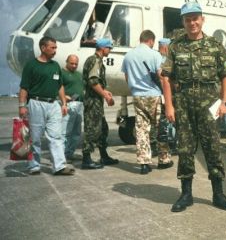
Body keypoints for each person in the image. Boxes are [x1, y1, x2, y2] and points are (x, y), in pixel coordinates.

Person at [160, 1, 226, 212]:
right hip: (183, 105)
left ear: (202, 19)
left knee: (213, 148)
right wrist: (169, 106)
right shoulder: (175, 46)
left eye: (195, 18)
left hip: (209, 105)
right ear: (183, 22)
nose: (192, 23)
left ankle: (218, 193)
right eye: (187, 19)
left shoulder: (215, 45)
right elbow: (166, 78)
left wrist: (225, 102)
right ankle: (186, 194)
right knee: (184, 149)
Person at [18, 36, 75, 175]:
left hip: (53, 104)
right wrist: (22, 105)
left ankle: (59, 166)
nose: (55, 50)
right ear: (43, 48)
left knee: (56, 136)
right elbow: (24, 87)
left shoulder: (55, 66)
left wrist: (63, 103)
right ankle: (34, 165)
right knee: (35, 137)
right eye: (52, 47)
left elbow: (60, 85)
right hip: (36, 103)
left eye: (56, 47)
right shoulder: (31, 65)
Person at [121, 31, 173, 174]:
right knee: (161, 128)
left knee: (141, 129)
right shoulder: (154, 55)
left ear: (141, 39)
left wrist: (135, 89)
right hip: (154, 95)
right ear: (151, 40)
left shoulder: (128, 55)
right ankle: (163, 159)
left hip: (137, 96)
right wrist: (166, 94)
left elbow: (126, 76)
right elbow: (161, 77)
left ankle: (144, 163)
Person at [81, 38, 119, 169]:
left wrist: (105, 92)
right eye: (109, 48)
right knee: (92, 129)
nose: (110, 50)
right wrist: (105, 96)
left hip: (96, 101)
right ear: (103, 48)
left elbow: (96, 83)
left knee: (102, 129)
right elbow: (93, 81)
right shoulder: (94, 60)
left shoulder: (97, 61)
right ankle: (86, 159)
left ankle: (104, 156)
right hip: (92, 102)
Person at [61, 54, 84, 161]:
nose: (74, 66)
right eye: (72, 63)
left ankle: (70, 153)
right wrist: (63, 97)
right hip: (69, 105)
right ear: (66, 62)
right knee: (66, 131)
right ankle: (62, 155)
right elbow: (56, 87)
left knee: (76, 132)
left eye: (76, 64)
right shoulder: (62, 73)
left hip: (79, 105)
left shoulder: (78, 74)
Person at [157, 37, 178, 156]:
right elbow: (163, 78)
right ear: (166, 47)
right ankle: (172, 144)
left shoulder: (158, 58)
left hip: (162, 94)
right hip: (167, 94)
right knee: (170, 120)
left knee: (165, 120)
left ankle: (169, 143)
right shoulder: (165, 60)